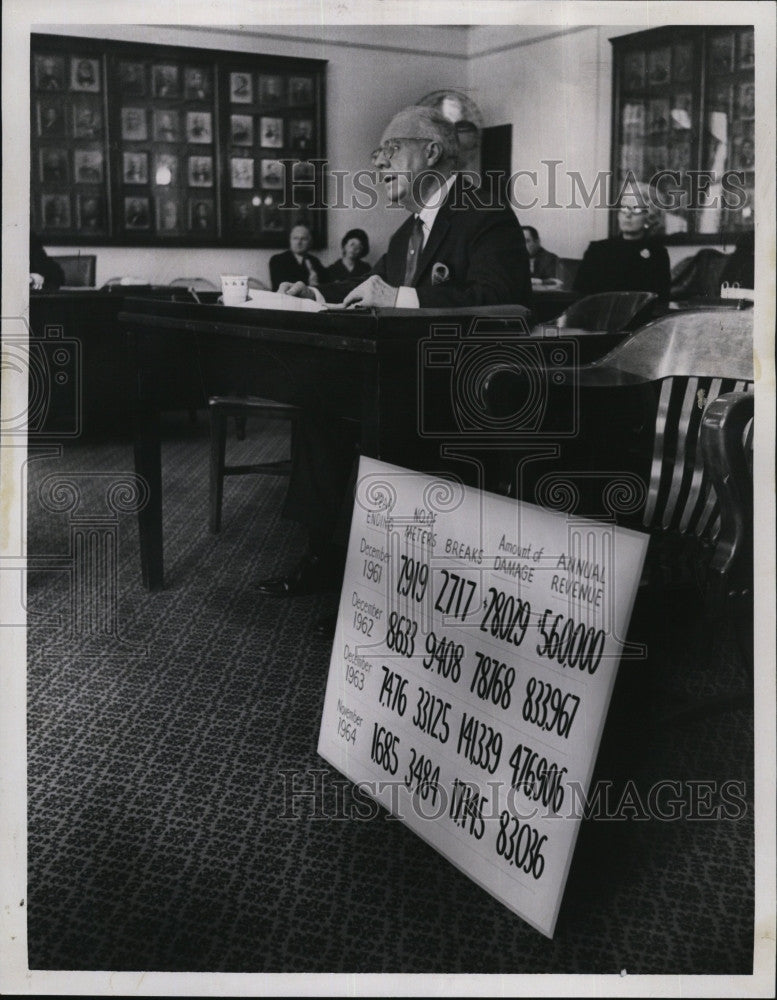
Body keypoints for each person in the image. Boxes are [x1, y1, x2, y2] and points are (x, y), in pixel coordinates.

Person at [258, 105, 531, 602]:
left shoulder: (485, 214)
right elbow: (368, 285)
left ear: (430, 152)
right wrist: (316, 295)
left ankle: (378, 589)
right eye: (376, 154)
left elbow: (504, 301)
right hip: (407, 381)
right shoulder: (407, 232)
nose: (378, 164)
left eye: (390, 150)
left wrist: (401, 298)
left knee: (365, 418)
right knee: (319, 405)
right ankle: (324, 559)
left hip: (460, 389)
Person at [573, 183, 671, 304]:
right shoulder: (598, 250)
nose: (627, 215)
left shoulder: (658, 254)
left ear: (649, 217)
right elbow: (579, 296)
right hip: (600, 318)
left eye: (636, 209)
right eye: (624, 208)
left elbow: (661, 300)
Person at [268, 224, 326, 291]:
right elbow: (282, 286)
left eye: (303, 239)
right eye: (295, 238)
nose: (299, 242)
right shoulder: (278, 260)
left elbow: (326, 283)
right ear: (290, 240)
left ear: (310, 242)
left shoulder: (315, 261)